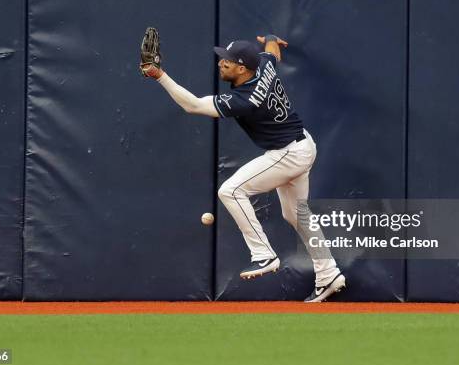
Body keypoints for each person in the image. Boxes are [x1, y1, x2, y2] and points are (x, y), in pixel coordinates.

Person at [140, 34, 345, 302]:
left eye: (227, 61)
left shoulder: (246, 100)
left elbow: (192, 105)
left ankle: (263, 254)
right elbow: (272, 52)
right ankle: (329, 273)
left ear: (242, 69)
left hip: (289, 153)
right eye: (222, 58)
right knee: (297, 216)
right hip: (302, 144)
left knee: (231, 190)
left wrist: (159, 75)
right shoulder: (263, 65)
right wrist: (271, 39)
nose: (221, 63)